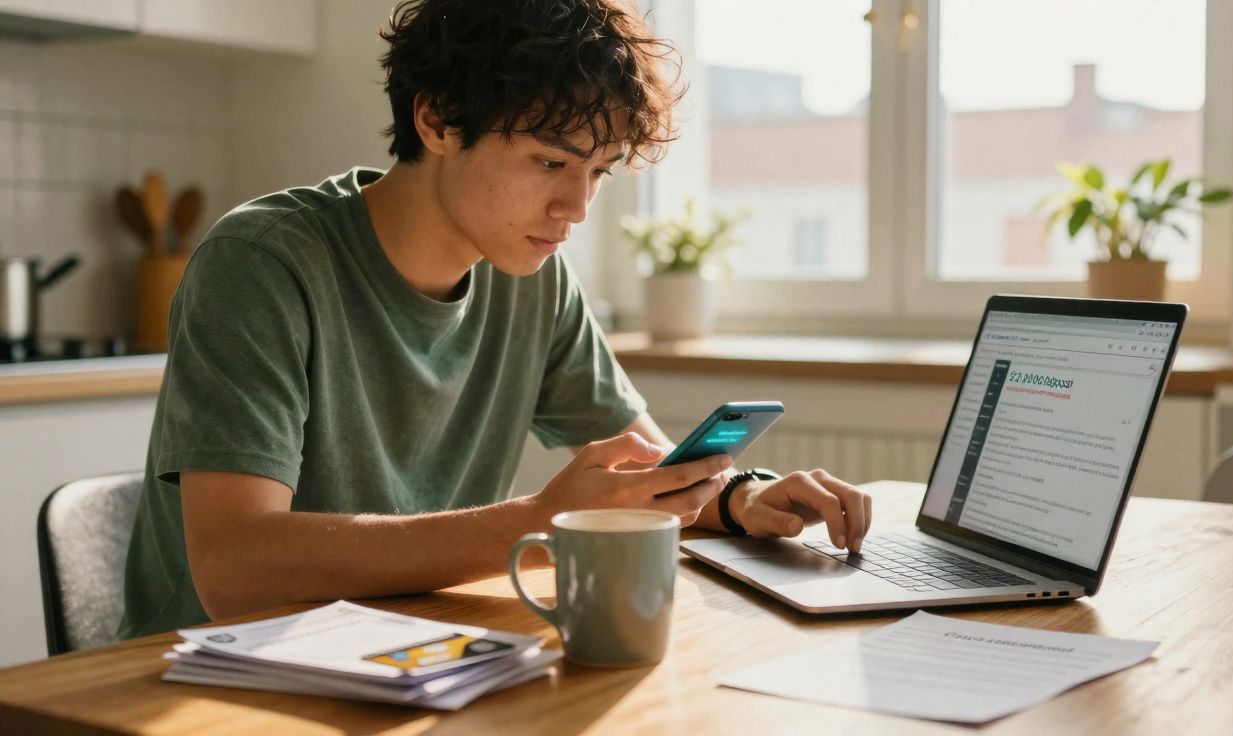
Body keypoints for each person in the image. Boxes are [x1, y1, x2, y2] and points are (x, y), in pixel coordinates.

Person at [117, 0, 872, 639]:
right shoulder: (263, 263)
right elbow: (235, 572)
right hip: (212, 683)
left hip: (406, 656)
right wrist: (540, 519)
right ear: (439, 119)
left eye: (599, 173)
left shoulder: (531, 278)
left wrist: (741, 499)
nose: (577, 208)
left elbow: (644, 478)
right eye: (551, 162)